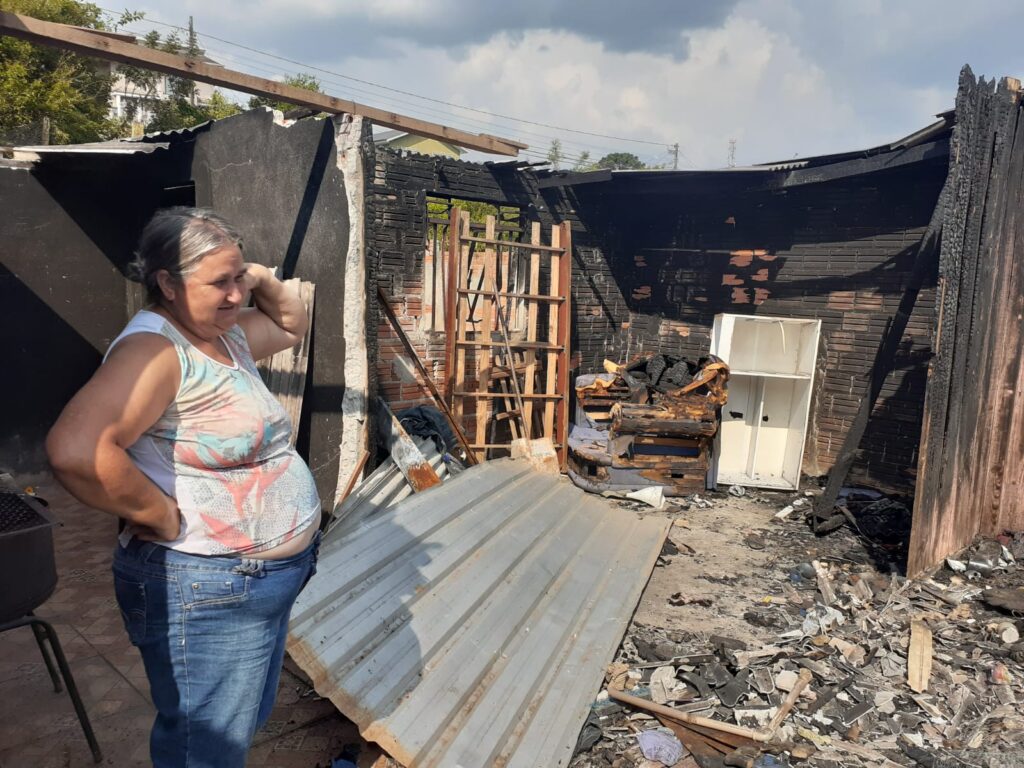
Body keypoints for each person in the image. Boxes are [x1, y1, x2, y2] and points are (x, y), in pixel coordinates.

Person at [46, 207, 322, 768]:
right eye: (218, 282)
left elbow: (294, 325)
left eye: (238, 278)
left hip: (253, 583)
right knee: (204, 749)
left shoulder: (225, 335)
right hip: (210, 585)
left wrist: (259, 276)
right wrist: (161, 515)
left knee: (232, 725)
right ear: (167, 283)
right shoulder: (155, 350)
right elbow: (76, 451)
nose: (233, 294)